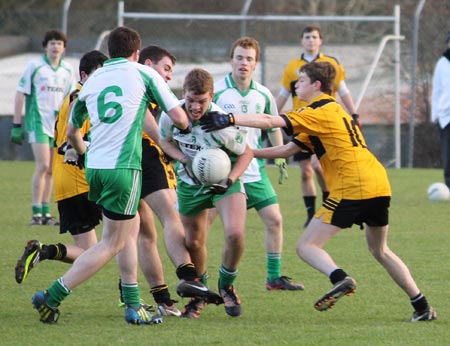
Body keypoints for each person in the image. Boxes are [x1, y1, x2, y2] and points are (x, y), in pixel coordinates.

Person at [200, 61, 437, 322]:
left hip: (352, 185)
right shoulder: (332, 112)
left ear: (317, 85)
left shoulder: (318, 111)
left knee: (306, 246)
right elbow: (288, 150)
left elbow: (270, 120)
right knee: (381, 250)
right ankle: (422, 307)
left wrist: (230, 118)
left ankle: (341, 278)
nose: (296, 84)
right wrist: (247, 153)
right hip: (378, 183)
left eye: (301, 80)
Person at [30, 26, 206, 325]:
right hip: (123, 168)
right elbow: (178, 117)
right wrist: (192, 137)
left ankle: (133, 303)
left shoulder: (94, 78)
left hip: (95, 168)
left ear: (109, 51)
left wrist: (85, 151)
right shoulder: (142, 73)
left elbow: (72, 132)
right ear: (137, 54)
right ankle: (52, 297)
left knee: (124, 235)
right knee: (112, 243)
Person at [209, 37, 304, 291]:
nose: (243, 63)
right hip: (222, 171)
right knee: (203, 227)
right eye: (239, 57)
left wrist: (281, 157)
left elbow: (273, 124)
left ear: (255, 63)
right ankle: (199, 280)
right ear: (231, 60)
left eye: (249, 59)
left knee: (275, 219)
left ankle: (273, 278)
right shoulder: (216, 91)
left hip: (254, 171)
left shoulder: (263, 94)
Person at [159, 68, 254, 318]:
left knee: (235, 234)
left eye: (201, 101)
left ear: (211, 96)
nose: (195, 106)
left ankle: (226, 285)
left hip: (226, 181)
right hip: (191, 184)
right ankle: (199, 293)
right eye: (191, 100)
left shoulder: (220, 121)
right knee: (194, 243)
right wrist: (183, 159)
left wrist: (230, 179)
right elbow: (164, 140)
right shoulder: (172, 115)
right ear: (183, 94)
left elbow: (246, 153)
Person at [14, 50, 107, 285]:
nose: (104, 80)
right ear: (84, 75)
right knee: (113, 242)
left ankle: (42, 252)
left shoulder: (79, 94)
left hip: (70, 181)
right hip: (79, 181)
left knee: (92, 251)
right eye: (99, 74)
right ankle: (131, 296)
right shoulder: (81, 97)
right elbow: (71, 140)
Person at [275, 25, 358, 227]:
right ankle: (311, 214)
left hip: (323, 123)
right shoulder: (293, 66)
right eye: (307, 37)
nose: (311, 40)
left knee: (317, 166)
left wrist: (354, 113)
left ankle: (328, 201)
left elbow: (343, 90)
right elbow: (284, 94)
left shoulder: (330, 64)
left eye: (314, 37)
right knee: (305, 171)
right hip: (302, 123)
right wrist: (272, 118)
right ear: (301, 41)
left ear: (320, 41)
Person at [10, 29, 75, 226]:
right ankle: (36, 211)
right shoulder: (35, 66)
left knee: (53, 169)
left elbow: (71, 98)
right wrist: (16, 124)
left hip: (58, 126)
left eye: (59, 43)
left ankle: (46, 213)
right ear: (45, 46)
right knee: (43, 165)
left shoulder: (67, 70)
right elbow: (20, 93)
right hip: (38, 122)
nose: (55, 46)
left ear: (64, 48)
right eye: (52, 43)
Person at [431, 30, 450, 189]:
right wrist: (435, 114)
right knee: (448, 155)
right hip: (446, 115)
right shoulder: (442, 63)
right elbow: (437, 89)